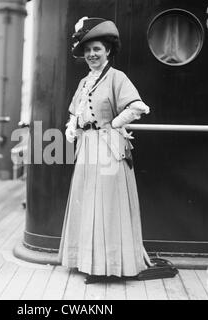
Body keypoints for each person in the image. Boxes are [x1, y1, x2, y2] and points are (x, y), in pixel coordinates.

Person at [58, 17, 153, 284]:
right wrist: (72, 128)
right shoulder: (84, 82)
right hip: (87, 148)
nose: (92, 55)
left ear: (108, 50)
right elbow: (76, 114)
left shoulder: (117, 78)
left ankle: (109, 264)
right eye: (87, 50)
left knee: (107, 204)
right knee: (88, 200)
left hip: (109, 147)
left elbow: (136, 106)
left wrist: (114, 123)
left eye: (97, 49)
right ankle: (88, 261)